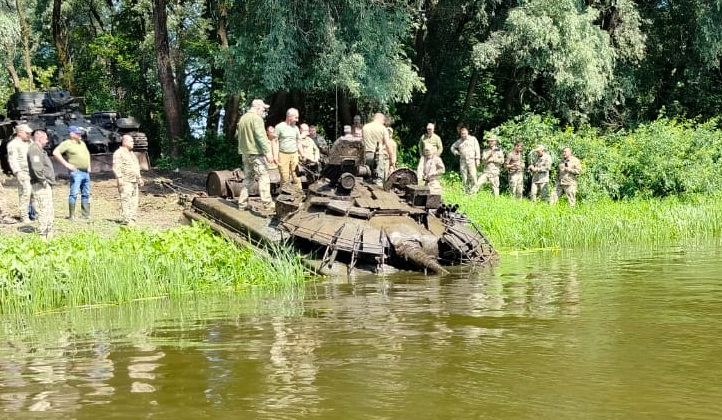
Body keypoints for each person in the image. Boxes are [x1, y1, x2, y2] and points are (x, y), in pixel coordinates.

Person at [236, 99, 274, 212]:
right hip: (256, 154)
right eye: (263, 109)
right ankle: (268, 205)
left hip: (245, 153)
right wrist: (268, 152)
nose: (264, 111)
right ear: (257, 107)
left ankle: (242, 204)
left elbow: (238, 135)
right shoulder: (256, 118)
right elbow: (261, 137)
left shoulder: (243, 118)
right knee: (264, 177)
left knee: (248, 179)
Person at [53, 125, 91, 220]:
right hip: (76, 172)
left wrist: (89, 165)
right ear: (72, 134)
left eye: (80, 133)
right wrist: (67, 165)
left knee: (86, 193)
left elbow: (87, 154)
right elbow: (55, 152)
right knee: (74, 193)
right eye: (77, 133)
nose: (80, 134)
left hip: (85, 172)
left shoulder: (82, 143)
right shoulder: (67, 143)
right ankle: (72, 215)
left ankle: (85, 214)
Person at [27, 130, 55, 238]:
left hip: (44, 184)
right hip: (40, 185)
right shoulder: (34, 149)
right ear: (40, 138)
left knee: (48, 209)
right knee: (43, 209)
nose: (47, 141)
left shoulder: (39, 150)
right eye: (46, 138)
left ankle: (49, 232)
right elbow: (36, 167)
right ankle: (42, 235)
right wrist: (43, 181)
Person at [112, 134, 145, 226]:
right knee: (126, 200)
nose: (133, 143)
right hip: (125, 181)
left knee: (134, 201)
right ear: (125, 142)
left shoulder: (131, 154)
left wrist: (139, 178)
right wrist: (119, 178)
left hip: (134, 180)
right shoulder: (119, 153)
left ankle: (133, 218)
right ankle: (127, 219)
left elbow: (136, 167)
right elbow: (116, 167)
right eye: (131, 141)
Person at [6, 123, 33, 222]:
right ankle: (24, 216)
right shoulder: (13, 144)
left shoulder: (29, 142)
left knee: (34, 194)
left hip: (33, 172)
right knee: (25, 194)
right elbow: (13, 159)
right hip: (23, 173)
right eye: (27, 133)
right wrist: (17, 172)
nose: (29, 135)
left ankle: (32, 214)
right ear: (20, 133)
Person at [362, 112, 394, 185]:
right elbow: (388, 145)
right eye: (383, 121)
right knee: (379, 179)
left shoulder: (365, 127)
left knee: (366, 178)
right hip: (378, 156)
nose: (384, 122)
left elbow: (361, 143)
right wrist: (392, 159)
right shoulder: (383, 129)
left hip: (365, 155)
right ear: (380, 119)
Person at [275, 108, 304, 189]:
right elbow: (275, 142)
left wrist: (302, 154)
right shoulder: (279, 127)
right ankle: (284, 197)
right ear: (289, 116)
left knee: (297, 176)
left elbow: (298, 142)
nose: (297, 120)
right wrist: (275, 156)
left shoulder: (296, 128)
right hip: (283, 154)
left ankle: (299, 195)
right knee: (285, 177)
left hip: (294, 154)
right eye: (296, 117)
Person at [450, 127, 481, 193]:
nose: (463, 135)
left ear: (467, 133)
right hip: (463, 161)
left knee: (473, 176)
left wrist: (477, 159)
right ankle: (466, 191)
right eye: (462, 134)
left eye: (464, 133)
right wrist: (455, 152)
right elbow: (452, 147)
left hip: (471, 160)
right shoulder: (459, 141)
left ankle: (474, 191)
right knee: (464, 176)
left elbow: (477, 149)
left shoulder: (473, 139)